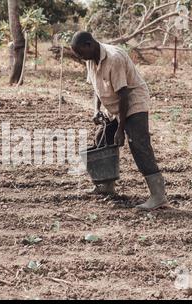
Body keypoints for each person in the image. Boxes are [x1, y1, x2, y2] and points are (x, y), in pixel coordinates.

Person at [71, 31, 168, 210]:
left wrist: (121, 129)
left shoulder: (114, 58)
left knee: (139, 145)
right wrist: (96, 110)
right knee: (103, 138)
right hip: (114, 104)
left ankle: (158, 196)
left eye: (80, 52)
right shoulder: (90, 60)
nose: (79, 57)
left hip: (132, 102)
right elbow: (97, 88)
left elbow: (124, 95)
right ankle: (107, 186)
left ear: (89, 45)